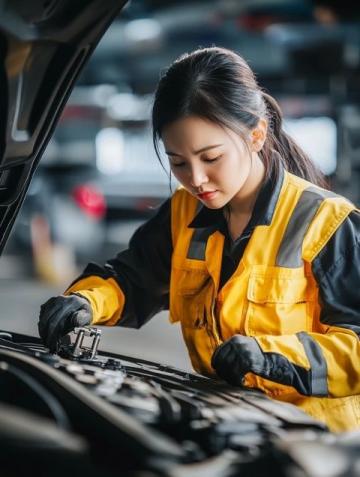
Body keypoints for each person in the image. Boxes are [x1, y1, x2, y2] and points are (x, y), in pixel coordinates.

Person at [38, 46, 360, 433]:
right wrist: (83, 302)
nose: (196, 179)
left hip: (316, 445)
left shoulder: (325, 222)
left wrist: (270, 357)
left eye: (211, 158)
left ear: (256, 134)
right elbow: (132, 279)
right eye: (178, 163)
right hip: (228, 426)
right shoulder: (183, 214)